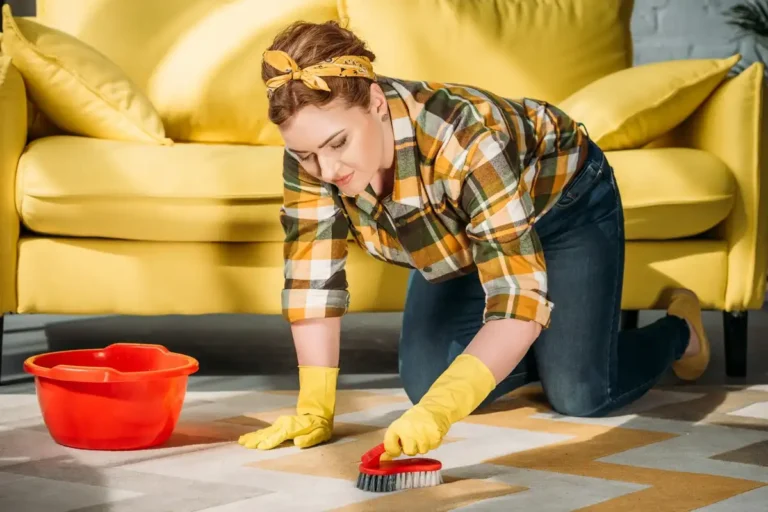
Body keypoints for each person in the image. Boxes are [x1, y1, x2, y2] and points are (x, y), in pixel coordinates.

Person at [237, 21, 710, 459]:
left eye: (339, 144)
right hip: (462, 235)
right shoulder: (312, 159)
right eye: (306, 154)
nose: (328, 171)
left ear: (377, 104)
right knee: (428, 383)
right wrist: (315, 407)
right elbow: (312, 278)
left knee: (580, 393)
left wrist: (447, 409)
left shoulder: (463, 141)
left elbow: (517, 297)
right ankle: (551, 344)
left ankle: (680, 332)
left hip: (563, 205)